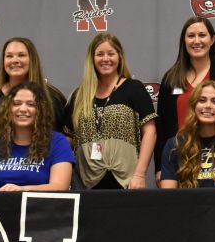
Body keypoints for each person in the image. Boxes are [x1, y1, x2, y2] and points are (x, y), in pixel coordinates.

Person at [155, 16, 215, 187]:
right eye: (191, 36)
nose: (196, 41)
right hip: (180, 162)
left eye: (202, 35)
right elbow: (162, 126)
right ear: (184, 41)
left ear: (212, 39)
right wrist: (160, 166)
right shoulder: (171, 78)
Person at [65, 33, 157, 189]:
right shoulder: (79, 95)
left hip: (127, 181)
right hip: (86, 183)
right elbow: (67, 138)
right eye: (100, 54)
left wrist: (140, 174)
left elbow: (150, 132)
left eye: (111, 53)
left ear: (119, 57)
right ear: (92, 59)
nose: (105, 59)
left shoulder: (134, 88)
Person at [0, 82, 73, 192]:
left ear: (41, 111)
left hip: (40, 205)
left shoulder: (57, 142)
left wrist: (22, 190)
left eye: (31, 104)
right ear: (7, 109)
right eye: (16, 103)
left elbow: (60, 186)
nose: (23, 109)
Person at [0, 37, 66, 152]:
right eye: (9, 56)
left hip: (43, 162)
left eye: (21, 55)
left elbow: (68, 136)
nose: (15, 60)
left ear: (32, 59)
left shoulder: (52, 97)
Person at [160, 80, 215, 188]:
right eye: (202, 100)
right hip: (184, 200)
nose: (208, 106)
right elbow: (168, 194)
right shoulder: (174, 145)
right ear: (194, 106)